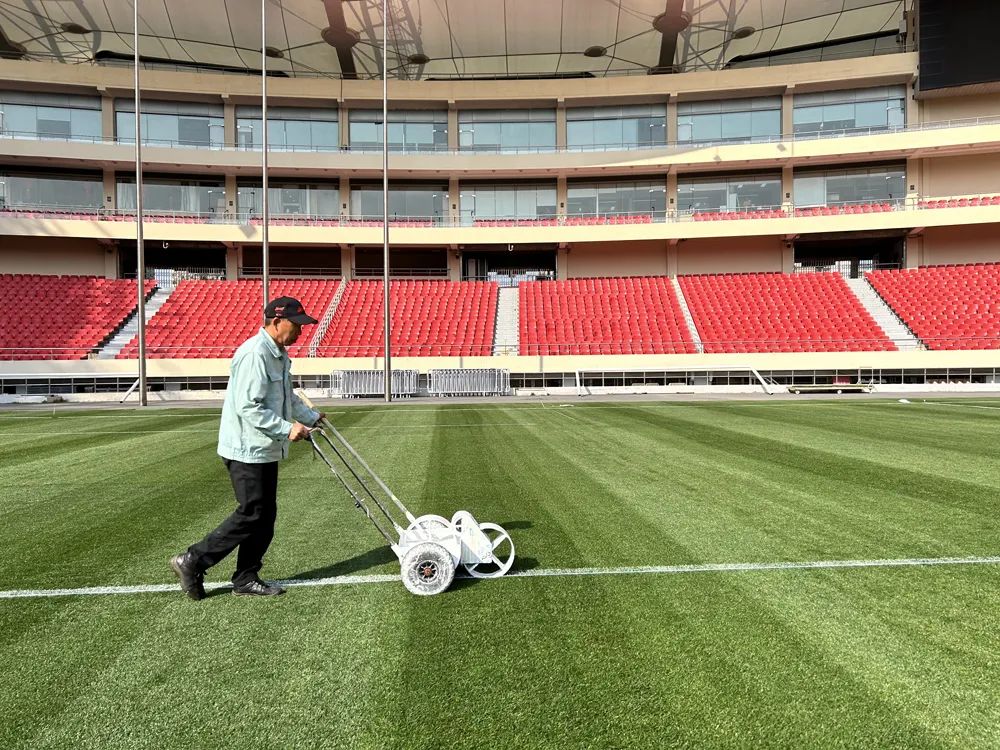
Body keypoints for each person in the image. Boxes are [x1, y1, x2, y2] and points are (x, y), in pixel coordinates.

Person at [171, 296, 326, 599]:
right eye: (296, 325)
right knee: (252, 512)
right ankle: (192, 560)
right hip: (245, 448)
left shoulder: (278, 355)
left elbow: (286, 397)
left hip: (264, 448)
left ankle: (245, 576)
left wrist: (311, 417)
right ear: (277, 322)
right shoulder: (254, 354)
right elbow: (248, 407)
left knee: (264, 515)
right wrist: (286, 428)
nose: (300, 332)